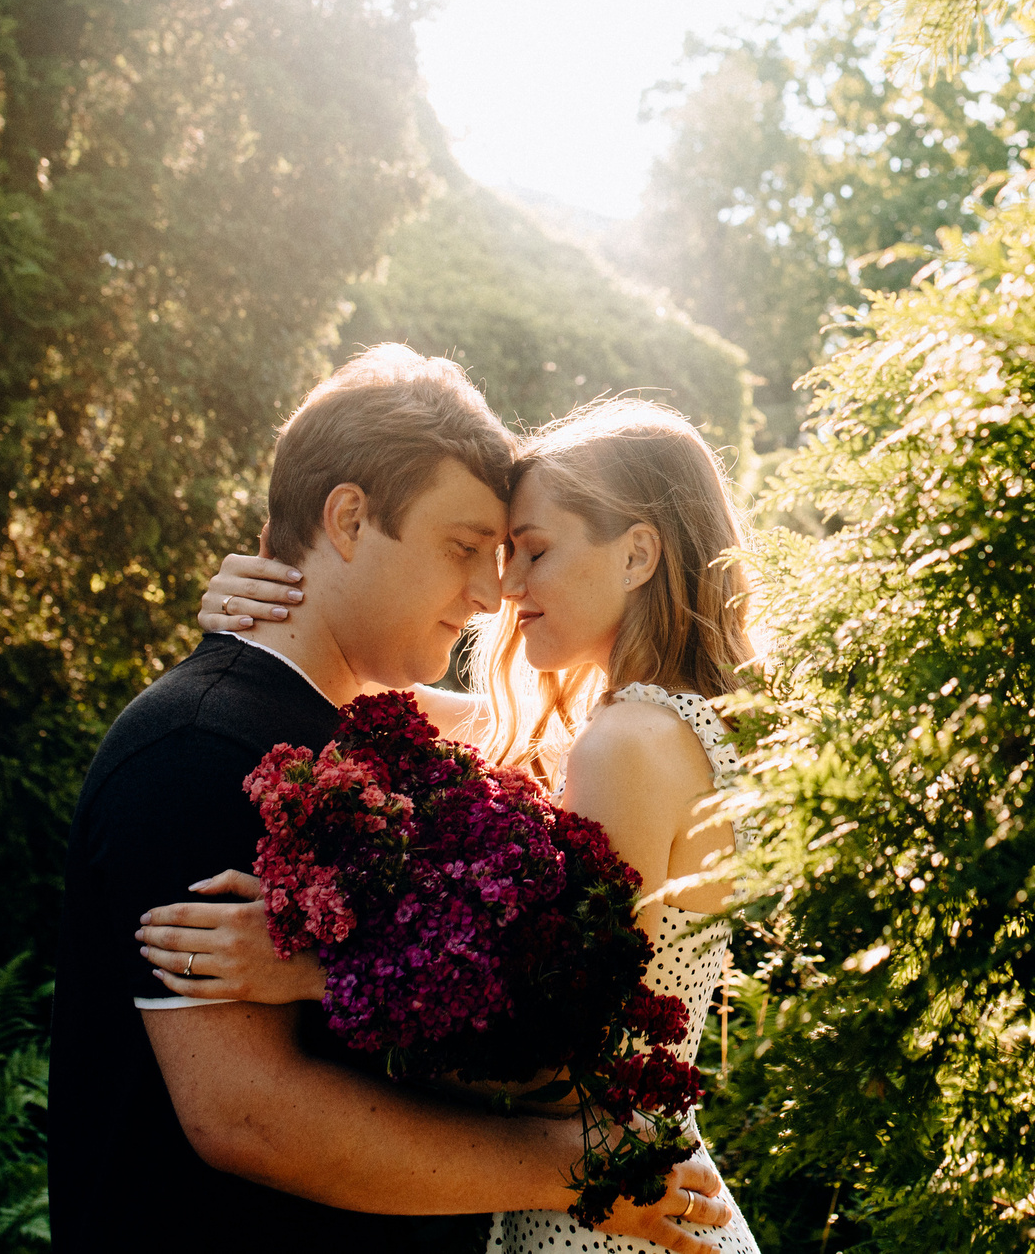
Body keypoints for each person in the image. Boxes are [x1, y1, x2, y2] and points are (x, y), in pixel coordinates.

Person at [53, 349, 731, 1254]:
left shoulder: (534, 746)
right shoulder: (206, 750)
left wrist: (327, 969)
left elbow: (554, 1016)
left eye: (521, 553)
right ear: (346, 518)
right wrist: (248, 610)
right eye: (470, 550)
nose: (495, 592)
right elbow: (246, 1114)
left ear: (640, 554)